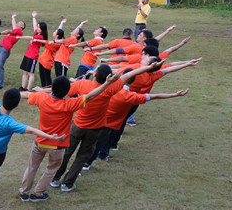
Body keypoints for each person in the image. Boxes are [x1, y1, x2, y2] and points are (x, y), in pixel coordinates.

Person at [49, 62, 160, 192]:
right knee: (82, 156)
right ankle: (67, 184)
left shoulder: (82, 84)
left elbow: (60, 91)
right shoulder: (110, 89)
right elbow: (130, 74)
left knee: (67, 152)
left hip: (78, 126)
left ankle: (55, 179)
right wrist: (149, 68)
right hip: (95, 129)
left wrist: (40, 91)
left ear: (95, 75)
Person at [16, 73, 120, 201]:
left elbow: (25, 95)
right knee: (51, 170)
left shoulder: (41, 97)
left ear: (52, 89)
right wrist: (107, 83)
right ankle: (38, 193)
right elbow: (91, 95)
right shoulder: (70, 103)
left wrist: (12, 94)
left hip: (40, 142)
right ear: (67, 92)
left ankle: (24, 192)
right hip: (58, 146)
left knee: (32, 167)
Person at [0, 89, 65, 203]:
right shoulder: (10, 123)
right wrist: (51, 137)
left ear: (3, 98)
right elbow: (32, 130)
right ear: (17, 105)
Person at [0, 14, 25, 90]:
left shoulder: (19, 31)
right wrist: (13, 18)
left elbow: (8, 30)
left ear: (22, 27)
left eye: (21, 23)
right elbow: (14, 25)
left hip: (5, 49)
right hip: (0, 47)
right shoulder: (16, 30)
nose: (18, 22)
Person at [16, 12, 46, 91]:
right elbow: (34, 26)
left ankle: (28, 89)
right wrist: (33, 17)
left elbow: (30, 37)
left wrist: (20, 37)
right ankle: (23, 87)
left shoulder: (40, 37)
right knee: (25, 72)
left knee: (30, 73)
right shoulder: (37, 33)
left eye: (39, 27)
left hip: (33, 57)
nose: (37, 28)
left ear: (42, 29)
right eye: (38, 27)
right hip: (27, 55)